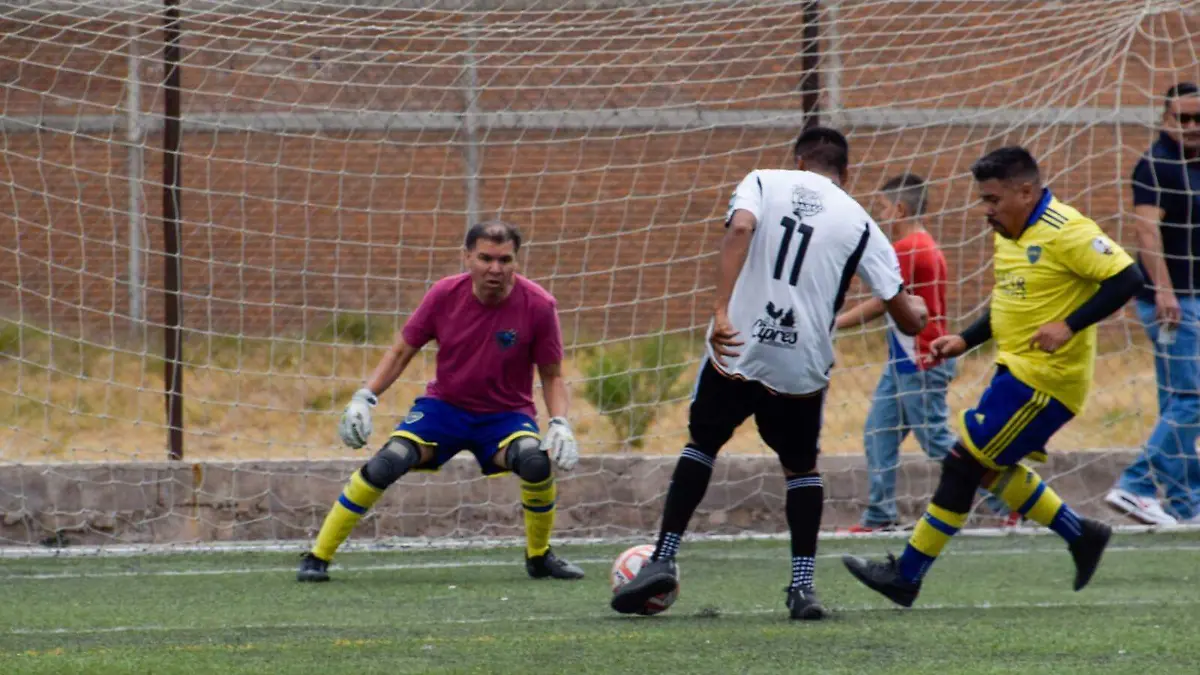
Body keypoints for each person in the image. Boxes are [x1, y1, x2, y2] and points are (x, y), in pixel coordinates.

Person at [609, 127, 929, 620]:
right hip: (800, 361)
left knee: (702, 445)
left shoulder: (763, 181)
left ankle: (664, 558)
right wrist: (919, 315)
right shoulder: (863, 222)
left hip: (738, 344)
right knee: (800, 469)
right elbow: (901, 312)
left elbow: (739, 229)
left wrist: (719, 309)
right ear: (845, 174)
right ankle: (802, 589)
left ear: (798, 162)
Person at [843, 146, 1144, 607]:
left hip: (1047, 383)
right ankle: (1081, 534)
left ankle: (906, 575)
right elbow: (1010, 303)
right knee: (984, 469)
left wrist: (1069, 325)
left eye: (992, 200)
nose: (986, 210)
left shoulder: (1068, 230)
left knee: (963, 464)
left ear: (1026, 191)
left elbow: (1127, 278)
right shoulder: (1009, 232)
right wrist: (966, 339)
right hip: (1014, 374)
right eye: (983, 200)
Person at [296, 221, 585, 582]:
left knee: (534, 461)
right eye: (485, 258)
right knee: (389, 461)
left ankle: (539, 556)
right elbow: (403, 350)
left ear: (516, 261)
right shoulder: (444, 294)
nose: (495, 269)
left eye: (504, 260)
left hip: (505, 416)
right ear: (467, 257)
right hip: (443, 411)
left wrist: (560, 422)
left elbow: (553, 374)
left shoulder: (539, 305)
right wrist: (364, 397)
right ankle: (317, 556)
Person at [835, 174, 1011, 532]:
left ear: (899, 209)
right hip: (903, 362)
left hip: (922, 360)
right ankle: (880, 514)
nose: (880, 214)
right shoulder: (919, 244)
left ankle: (1010, 500)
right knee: (878, 432)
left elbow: (882, 303)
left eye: (882, 208)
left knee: (937, 440)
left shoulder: (909, 248)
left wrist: (832, 322)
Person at [1105, 82, 1200, 526]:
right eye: (1182, 119)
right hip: (1173, 303)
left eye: (1198, 119)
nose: (1192, 127)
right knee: (1191, 399)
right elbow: (1147, 231)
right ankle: (1135, 485)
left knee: (1178, 404)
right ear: (1165, 120)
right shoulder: (1156, 164)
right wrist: (1163, 290)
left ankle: (1186, 504)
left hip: (1193, 298)